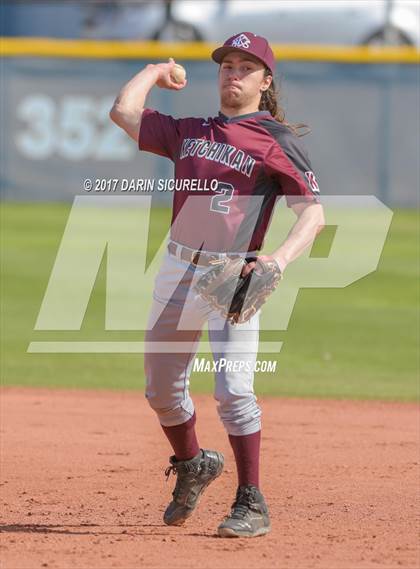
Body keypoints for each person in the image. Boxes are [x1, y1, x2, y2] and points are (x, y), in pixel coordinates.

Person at [110, 31, 325, 538]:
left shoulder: (275, 139)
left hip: (233, 274)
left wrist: (277, 260)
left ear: (265, 81)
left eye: (246, 67)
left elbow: (312, 214)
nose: (233, 73)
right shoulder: (191, 130)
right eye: (227, 65)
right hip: (176, 268)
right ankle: (193, 463)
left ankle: (251, 499)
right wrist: (154, 71)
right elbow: (123, 113)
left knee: (233, 391)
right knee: (161, 389)